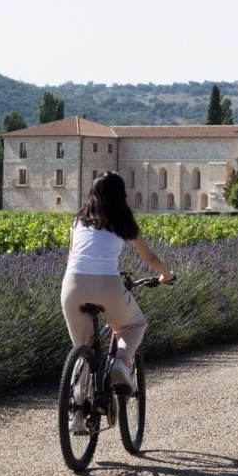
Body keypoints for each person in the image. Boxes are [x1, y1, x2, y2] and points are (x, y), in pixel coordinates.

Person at [61, 173, 174, 430]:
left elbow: (71, 257)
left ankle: (77, 415)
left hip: (72, 285)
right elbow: (150, 257)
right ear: (120, 194)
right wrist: (166, 276)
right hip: (107, 285)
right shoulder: (123, 221)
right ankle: (122, 363)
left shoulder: (78, 220)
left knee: (83, 348)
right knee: (134, 325)